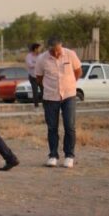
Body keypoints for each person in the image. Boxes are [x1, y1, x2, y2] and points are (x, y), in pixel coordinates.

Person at [35, 37, 82, 168]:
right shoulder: (42, 59)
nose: (56, 53)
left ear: (61, 46)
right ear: (48, 48)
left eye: (58, 50)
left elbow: (78, 71)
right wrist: (48, 88)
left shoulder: (70, 54)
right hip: (50, 97)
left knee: (69, 126)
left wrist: (70, 83)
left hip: (69, 95)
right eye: (53, 51)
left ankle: (69, 156)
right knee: (52, 127)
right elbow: (39, 78)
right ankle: (53, 156)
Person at [26, 42, 43, 107]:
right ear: (35, 49)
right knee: (35, 91)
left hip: (41, 76)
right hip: (32, 76)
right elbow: (30, 65)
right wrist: (38, 64)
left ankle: (45, 105)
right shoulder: (29, 56)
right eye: (39, 48)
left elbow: (44, 64)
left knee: (44, 91)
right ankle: (36, 106)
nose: (40, 50)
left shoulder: (41, 56)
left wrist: (36, 64)